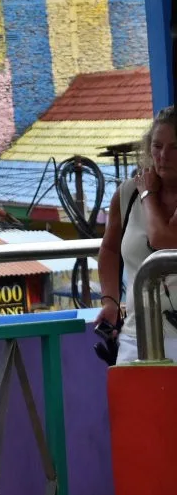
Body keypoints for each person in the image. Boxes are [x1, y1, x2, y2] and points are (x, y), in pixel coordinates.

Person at [96, 106, 177, 363]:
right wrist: (110, 300)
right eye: (157, 146)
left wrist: (148, 196)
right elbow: (109, 249)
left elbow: (162, 242)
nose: (163, 156)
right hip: (136, 333)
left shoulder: (142, 192)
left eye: (175, 148)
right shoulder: (129, 193)